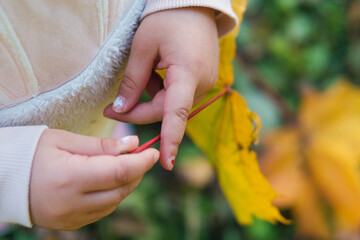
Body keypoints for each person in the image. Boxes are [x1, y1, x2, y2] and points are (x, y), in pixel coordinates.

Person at [0, 0, 237, 230]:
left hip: (104, 110)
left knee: (106, 134)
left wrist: (188, 7)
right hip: (18, 156)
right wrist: (14, 177)